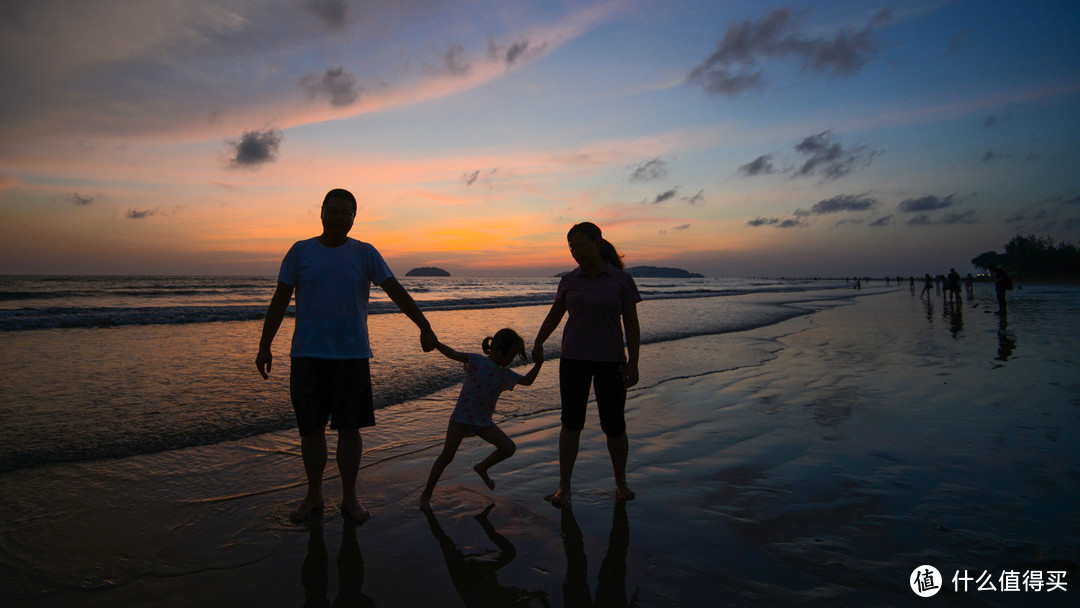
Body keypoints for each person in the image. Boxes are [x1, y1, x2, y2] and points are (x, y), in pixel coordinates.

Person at [256, 188, 437, 523]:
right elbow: (279, 299)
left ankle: (350, 498)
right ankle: (313, 495)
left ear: (354, 217)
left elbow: (396, 290)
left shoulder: (365, 253)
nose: (339, 217)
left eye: (346, 213)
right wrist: (265, 344)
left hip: (352, 356)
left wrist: (423, 325)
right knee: (310, 431)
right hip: (307, 356)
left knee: (350, 430)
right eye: (333, 210)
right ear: (321, 212)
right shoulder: (300, 251)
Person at [532, 222, 641, 507]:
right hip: (573, 360)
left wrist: (634, 363)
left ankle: (621, 483)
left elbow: (631, 325)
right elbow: (555, 314)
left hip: (611, 361)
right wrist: (539, 341)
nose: (575, 251)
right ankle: (564, 488)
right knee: (571, 424)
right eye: (570, 247)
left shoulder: (620, 280)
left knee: (614, 426)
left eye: (579, 245)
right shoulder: (569, 280)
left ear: (596, 243)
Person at [419, 329, 543, 512]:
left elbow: (527, 381)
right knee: (447, 456)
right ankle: (426, 495)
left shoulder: (505, 374)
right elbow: (453, 354)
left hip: (482, 421)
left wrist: (538, 364)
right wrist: (436, 344)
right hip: (461, 418)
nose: (512, 359)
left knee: (508, 448)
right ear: (498, 349)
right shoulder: (477, 361)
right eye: (511, 354)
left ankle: (482, 467)